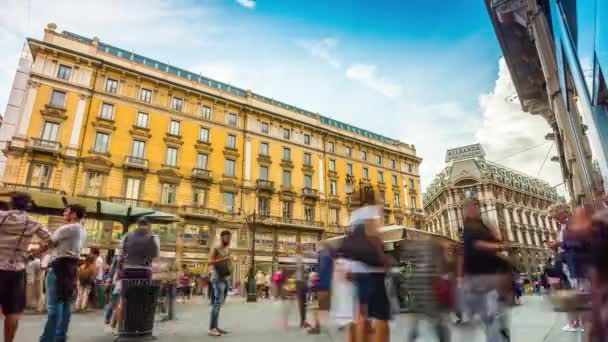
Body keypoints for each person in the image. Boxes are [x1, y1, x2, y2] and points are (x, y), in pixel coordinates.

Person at [0, 193, 51, 342]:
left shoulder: (2, 216)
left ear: (11, 203)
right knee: (13, 312)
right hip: (17, 269)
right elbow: (50, 240)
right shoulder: (33, 222)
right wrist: (32, 255)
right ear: (28, 205)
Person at [339, 203, 392, 342]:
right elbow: (374, 238)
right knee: (381, 318)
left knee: (360, 316)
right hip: (373, 274)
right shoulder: (371, 213)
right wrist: (384, 258)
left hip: (356, 274)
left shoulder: (355, 217)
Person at [461, 199, 511, 342]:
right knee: (491, 316)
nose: (474, 209)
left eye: (476, 206)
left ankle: (500, 338)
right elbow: (477, 244)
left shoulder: (482, 226)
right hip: (480, 275)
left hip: (490, 274)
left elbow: (496, 241)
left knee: (496, 314)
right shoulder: (469, 228)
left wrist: (497, 237)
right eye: (471, 207)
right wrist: (499, 247)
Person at [39, 204, 87, 342]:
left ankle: (47, 339)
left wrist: (33, 252)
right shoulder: (83, 230)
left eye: (66, 211)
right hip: (71, 269)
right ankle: (60, 337)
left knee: (53, 307)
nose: (64, 213)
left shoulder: (67, 228)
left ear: (74, 214)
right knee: (65, 305)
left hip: (58, 267)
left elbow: (49, 243)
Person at [112, 217, 160, 330]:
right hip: (144, 271)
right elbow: (156, 254)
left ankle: (117, 326)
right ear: (148, 225)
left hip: (128, 270)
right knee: (143, 300)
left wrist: (120, 270)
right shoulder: (153, 237)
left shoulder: (127, 236)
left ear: (137, 224)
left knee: (123, 299)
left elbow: (121, 254)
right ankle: (138, 326)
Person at [208, 230, 232, 337]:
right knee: (217, 303)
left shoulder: (227, 249)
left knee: (220, 303)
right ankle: (212, 328)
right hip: (217, 278)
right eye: (227, 237)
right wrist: (224, 258)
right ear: (222, 237)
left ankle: (216, 326)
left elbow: (227, 263)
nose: (228, 239)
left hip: (225, 278)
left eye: (229, 238)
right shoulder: (216, 248)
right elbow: (209, 262)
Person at [308, 241, 333, 334]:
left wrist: (315, 280)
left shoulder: (322, 256)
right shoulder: (327, 256)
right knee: (322, 307)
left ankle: (317, 326)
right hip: (327, 285)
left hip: (320, 286)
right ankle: (317, 325)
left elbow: (321, 271)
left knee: (315, 306)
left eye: (314, 248)